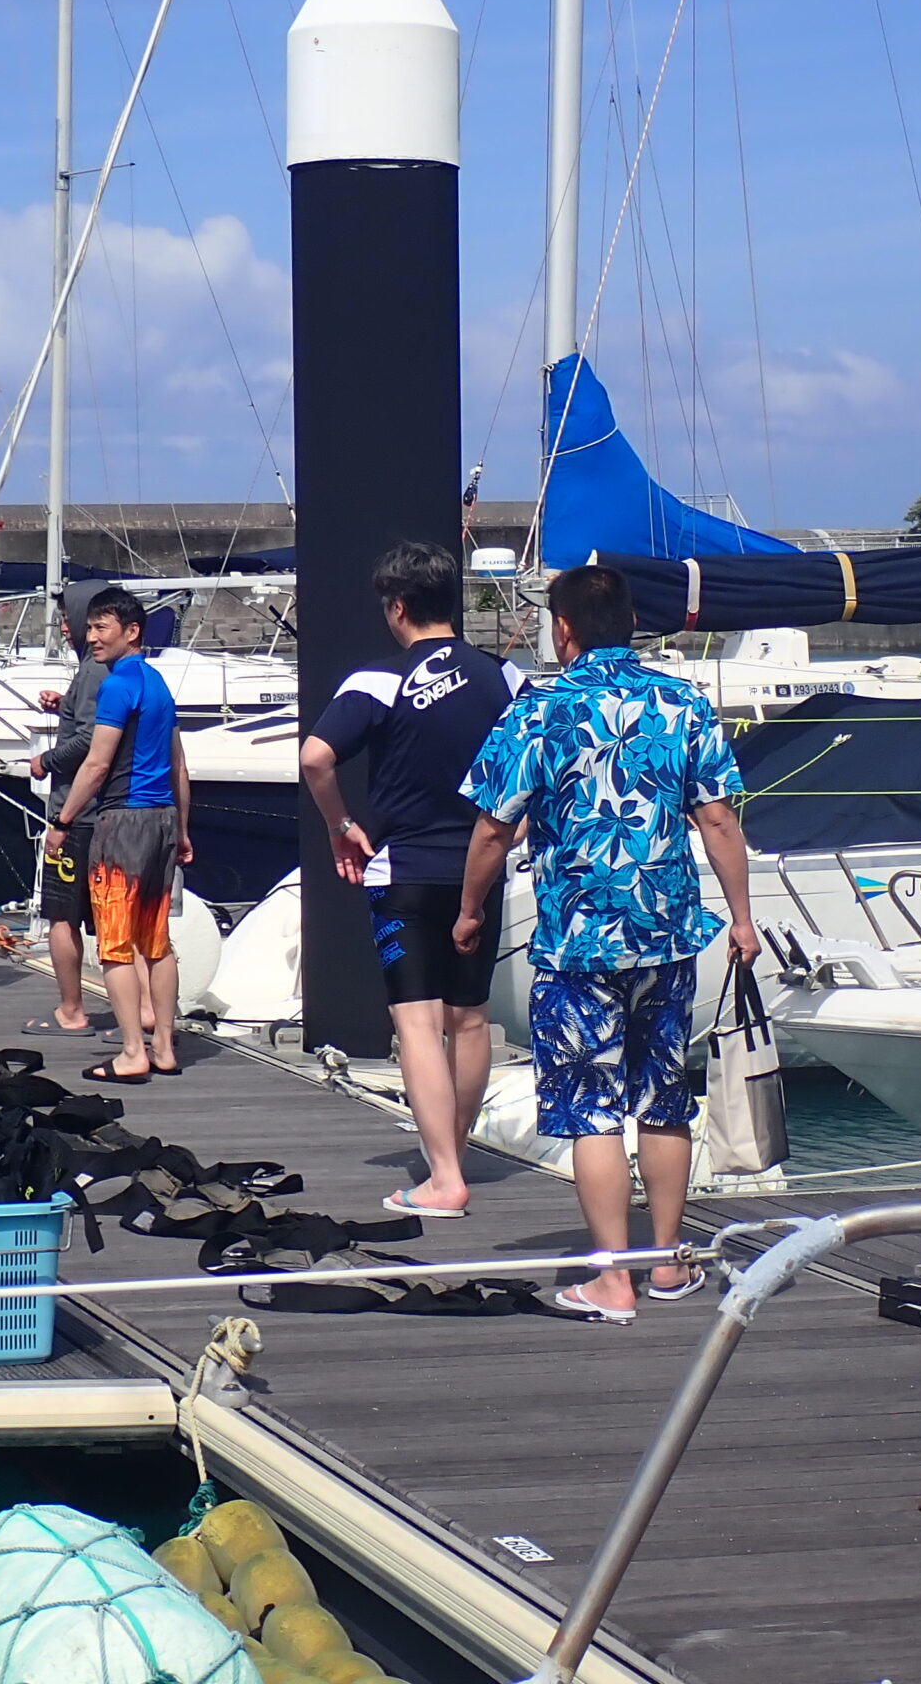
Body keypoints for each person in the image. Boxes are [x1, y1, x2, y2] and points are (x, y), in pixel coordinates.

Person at [455, 563, 758, 1319]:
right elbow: (718, 818)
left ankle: (611, 1277)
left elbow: (493, 828)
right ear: (629, 622)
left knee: (591, 1109)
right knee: (663, 1099)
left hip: (578, 939)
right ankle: (666, 1265)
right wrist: (743, 917)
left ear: (564, 630)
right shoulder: (682, 700)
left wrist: (468, 908)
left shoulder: (541, 708)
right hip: (666, 931)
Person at [304, 540, 526, 1218]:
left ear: (398, 607)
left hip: (403, 869)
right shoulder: (507, 677)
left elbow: (316, 757)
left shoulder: (378, 681)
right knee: (471, 1018)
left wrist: (343, 826)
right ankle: (450, 1152)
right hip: (479, 871)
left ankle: (446, 1175)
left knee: (417, 1023)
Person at [48, 586, 191, 1083]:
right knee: (157, 942)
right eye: (89, 627)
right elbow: (179, 766)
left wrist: (62, 822)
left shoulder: (116, 685)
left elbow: (97, 763)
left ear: (132, 632)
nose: (91, 638)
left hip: (123, 820)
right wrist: (185, 830)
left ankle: (133, 1052)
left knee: (114, 944)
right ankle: (166, 1047)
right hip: (163, 820)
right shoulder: (158, 684)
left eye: (101, 627)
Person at [26, 581, 148, 1039]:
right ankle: (144, 1016)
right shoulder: (110, 672)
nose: (67, 626)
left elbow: (90, 744)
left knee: (62, 916)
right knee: (124, 923)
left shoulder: (97, 671)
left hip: (79, 814)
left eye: (71, 618)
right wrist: (65, 706)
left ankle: (71, 1009)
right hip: (115, 816)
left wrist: (46, 760)